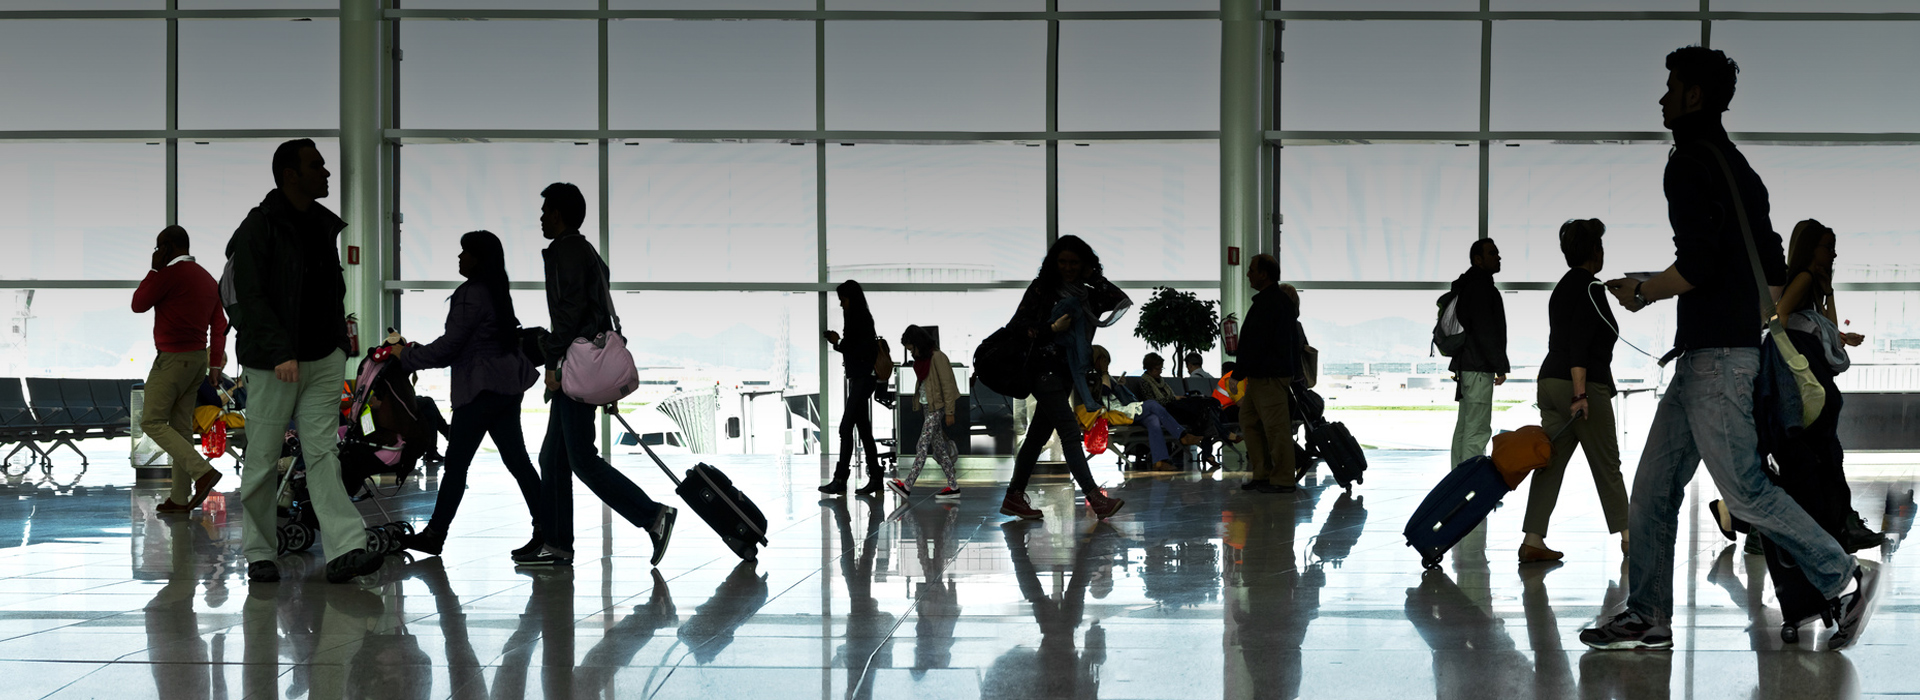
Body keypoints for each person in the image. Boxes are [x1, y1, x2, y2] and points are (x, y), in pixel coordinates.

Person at [1581, 46, 1877, 651]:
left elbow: (1698, 263)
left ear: (1693, 96)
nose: (1662, 100)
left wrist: (1642, 289)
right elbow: (1771, 273)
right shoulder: (1741, 169)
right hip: (1706, 358)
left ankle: (1845, 577)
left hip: (1717, 361)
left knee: (1743, 489)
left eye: (1670, 88)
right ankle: (1647, 615)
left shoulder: (1687, 161)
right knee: (1653, 493)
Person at [229, 139, 383, 585]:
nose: (327, 173)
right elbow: (249, 297)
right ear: (289, 174)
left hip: (322, 357)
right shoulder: (258, 226)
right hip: (275, 362)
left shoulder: (321, 225)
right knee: (261, 458)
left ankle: (346, 549)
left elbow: (328, 293)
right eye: (317, 166)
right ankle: (260, 551)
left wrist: (338, 344)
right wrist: (280, 351)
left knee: (323, 454)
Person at [523, 182, 676, 568]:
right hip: (583, 361)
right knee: (552, 458)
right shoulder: (586, 250)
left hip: (575, 364)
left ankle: (653, 516)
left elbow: (569, 312)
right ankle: (557, 544)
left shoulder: (566, 250)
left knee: (580, 459)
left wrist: (554, 364)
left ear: (559, 214)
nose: (541, 218)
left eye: (545, 211)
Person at [388, 231, 543, 557]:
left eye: (465, 252)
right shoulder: (497, 291)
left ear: (479, 258)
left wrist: (406, 358)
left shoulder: (471, 293)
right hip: (505, 389)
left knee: (457, 465)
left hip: (479, 390)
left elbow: (450, 346)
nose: (460, 258)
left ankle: (435, 535)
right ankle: (546, 528)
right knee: (518, 461)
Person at [1520, 219, 1630, 563]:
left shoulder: (1564, 287)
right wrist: (1580, 394)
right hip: (1578, 385)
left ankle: (1533, 539)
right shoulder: (1590, 288)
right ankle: (1631, 537)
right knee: (1607, 463)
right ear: (1594, 251)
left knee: (1550, 464)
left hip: (1549, 382)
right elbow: (1580, 343)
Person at [1000, 235, 1126, 521]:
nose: (1068, 268)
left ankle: (1014, 496)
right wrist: (1052, 327)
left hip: (1067, 373)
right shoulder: (1042, 290)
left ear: (1084, 265)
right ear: (1053, 263)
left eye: (1075, 263)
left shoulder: (1088, 293)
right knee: (1069, 431)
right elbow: (1017, 327)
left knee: (1036, 436)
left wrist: (1093, 275)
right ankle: (1096, 498)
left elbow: (1117, 299)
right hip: (1043, 371)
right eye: (1063, 262)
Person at [1776, 219, 1884, 551]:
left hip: (1810, 378)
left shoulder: (1814, 283)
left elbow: (1823, 325)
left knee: (1825, 454)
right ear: (1811, 248)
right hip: (1807, 378)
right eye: (1827, 247)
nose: (1833, 254)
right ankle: (1841, 525)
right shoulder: (1804, 278)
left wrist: (1830, 297)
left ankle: (1842, 524)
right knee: (1825, 454)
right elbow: (1780, 317)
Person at [133, 225, 229, 514]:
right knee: (181, 428)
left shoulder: (168, 275)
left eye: (158, 247)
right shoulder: (207, 279)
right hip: (198, 360)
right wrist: (214, 365)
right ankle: (179, 497)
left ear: (169, 247)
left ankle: (203, 472)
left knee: (151, 421)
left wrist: (153, 271)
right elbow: (219, 325)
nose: (155, 252)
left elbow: (138, 304)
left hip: (172, 360)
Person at [1232, 253, 1301, 494]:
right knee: (1250, 421)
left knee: (1275, 428)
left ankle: (1282, 478)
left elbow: (1255, 343)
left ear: (1264, 274)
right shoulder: (1271, 302)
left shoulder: (1272, 303)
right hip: (1261, 376)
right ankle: (1262, 472)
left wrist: (1237, 374)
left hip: (1269, 376)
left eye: (1252, 270)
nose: (1248, 274)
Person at [1448, 238, 1510, 469]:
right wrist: (1500, 366)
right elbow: (1486, 332)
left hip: (1466, 367)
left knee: (1464, 429)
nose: (1498, 257)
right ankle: (1469, 490)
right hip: (1478, 368)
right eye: (1493, 253)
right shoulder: (1482, 288)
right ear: (1478, 259)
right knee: (1477, 431)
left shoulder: (1465, 285)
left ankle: (1455, 485)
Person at [820, 280, 884, 497]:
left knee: (845, 428)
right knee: (864, 431)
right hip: (860, 379)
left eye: (843, 300)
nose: (841, 304)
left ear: (851, 299)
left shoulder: (861, 318)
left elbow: (860, 349)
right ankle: (875, 477)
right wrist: (839, 343)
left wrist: (838, 342)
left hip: (862, 380)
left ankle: (840, 479)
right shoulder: (859, 317)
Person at [889, 325, 962, 500]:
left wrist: (950, 411)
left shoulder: (938, 357)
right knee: (939, 449)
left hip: (937, 408)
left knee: (921, 446)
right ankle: (953, 487)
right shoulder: (923, 360)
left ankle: (907, 487)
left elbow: (948, 385)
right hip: (927, 407)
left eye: (912, 348)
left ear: (918, 343)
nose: (911, 353)